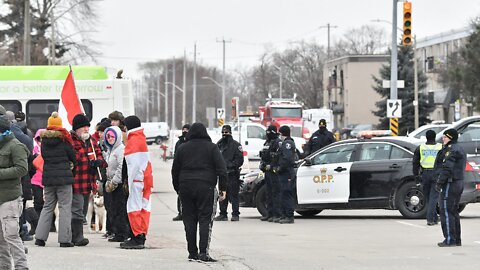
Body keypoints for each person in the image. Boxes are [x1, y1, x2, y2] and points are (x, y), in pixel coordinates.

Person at [172, 123, 227, 262]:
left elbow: (175, 170)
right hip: (206, 187)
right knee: (205, 219)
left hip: (185, 187)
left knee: (189, 220)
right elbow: (222, 170)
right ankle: (203, 253)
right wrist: (223, 189)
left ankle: (192, 252)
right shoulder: (212, 148)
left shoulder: (182, 148)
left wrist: (178, 188)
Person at [34, 112, 76, 248]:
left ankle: (40, 238)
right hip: (64, 180)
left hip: (49, 180)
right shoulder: (64, 141)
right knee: (64, 208)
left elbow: (44, 159)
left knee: (47, 207)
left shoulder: (44, 143)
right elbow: (73, 159)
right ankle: (64, 240)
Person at [70, 113, 106, 246]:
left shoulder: (91, 141)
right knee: (77, 209)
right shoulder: (70, 141)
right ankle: (77, 236)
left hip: (89, 182)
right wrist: (85, 159)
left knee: (83, 209)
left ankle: (76, 235)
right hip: (76, 181)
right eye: (83, 127)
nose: (86, 129)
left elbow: (101, 158)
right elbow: (72, 159)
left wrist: (98, 163)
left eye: (87, 127)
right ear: (76, 128)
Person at [0, 115, 29, 269]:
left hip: (10, 197)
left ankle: (21, 266)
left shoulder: (15, 145)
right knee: (0, 240)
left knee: (11, 235)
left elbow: (22, 169)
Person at [121, 115, 153, 249]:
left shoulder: (133, 141)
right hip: (146, 179)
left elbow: (132, 166)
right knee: (144, 208)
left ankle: (137, 236)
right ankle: (142, 234)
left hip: (137, 180)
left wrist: (128, 183)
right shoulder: (141, 138)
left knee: (134, 207)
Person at [434, 128, 466, 247]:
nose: (443, 139)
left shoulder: (451, 150)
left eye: (445, 137)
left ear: (450, 138)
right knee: (453, 211)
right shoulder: (458, 148)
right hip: (458, 182)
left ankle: (450, 240)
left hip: (450, 183)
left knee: (446, 211)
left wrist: (439, 182)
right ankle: (457, 239)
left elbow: (447, 168)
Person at [103, 126, 129, 243]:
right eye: (108, 136)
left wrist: (114, 181)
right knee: (113, 208)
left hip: (118, 185)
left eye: (112, 136)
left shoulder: (120, 149)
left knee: (120, 209)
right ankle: (117, 231)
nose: (110, 138)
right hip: (111, 183)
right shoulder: (110, 150)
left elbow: (121, 167)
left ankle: (122, 233)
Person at [214, 125, 244, 222]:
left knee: (234, 195)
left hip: (232, 174)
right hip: (222, 175)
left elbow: (240, 160)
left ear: (230, 132)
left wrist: (230, 165)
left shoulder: (236, 145)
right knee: (222, 195)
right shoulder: (219, 144)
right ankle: (223, 214)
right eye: (223, 132)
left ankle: (235, 214)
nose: (225, 134)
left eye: (226, 132)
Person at [412, 129, 442, 226]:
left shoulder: (421, 148)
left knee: (428, 197)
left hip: (425, 174)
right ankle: (430, 219)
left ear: (426, 137)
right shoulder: (440, 147)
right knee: (434, 197)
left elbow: (415, 163)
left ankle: (434, 218)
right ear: (435, 137)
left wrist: (416, 177)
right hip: (437, 174)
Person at [275, 125, 297, 224]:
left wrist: (280, 167)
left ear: (282, 134)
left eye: (280, 134)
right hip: (284, 172)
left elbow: (287, 159)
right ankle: (284, 215)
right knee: (283, 194)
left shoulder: (287, 143)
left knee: (287, 194)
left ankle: (289, 216)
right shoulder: (286, 143)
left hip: (287, 172)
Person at [259, 125, 281, 222]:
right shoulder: (267, 142)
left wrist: (272, 165)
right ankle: (269, 213)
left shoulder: (278, 142)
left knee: (275, 193)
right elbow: (264, 155)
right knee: (268, 193)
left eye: (269, 132)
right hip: (267, 171)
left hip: (274, 171)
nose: (267, 134)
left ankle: (277, 214)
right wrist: (262, 165)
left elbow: (278, 157)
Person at [172, 124, 190, 221]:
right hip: (181, 172)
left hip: (189, 172)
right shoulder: (179, 143)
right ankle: (181, 212)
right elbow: (176, 159)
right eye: (183, 129)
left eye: (187, 130)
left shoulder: (192, 142)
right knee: (180, 194)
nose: (185, 131)